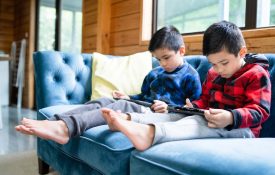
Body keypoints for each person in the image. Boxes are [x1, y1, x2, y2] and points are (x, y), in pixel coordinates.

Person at [101, 20, 271, 151]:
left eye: (223, 63)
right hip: (211, 119)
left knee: (197, 123)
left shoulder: (256, 74)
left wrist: (231, 117)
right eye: (212, 64)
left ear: (241, 52)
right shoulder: (213, 73)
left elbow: (260, 111)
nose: (217, 69)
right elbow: (204, 100)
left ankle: (149, 134)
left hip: (243, 130)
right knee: (177, 113)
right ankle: (130, 119)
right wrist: (193, 106)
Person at [15, 26, 202, 145]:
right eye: (158, 59)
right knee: (104, 100)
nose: (162, 64)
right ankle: (54, 121)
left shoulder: (190, 76)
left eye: (166, 58)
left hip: (160, 115)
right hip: (144, 106)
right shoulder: (155, 73)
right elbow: (142, 96)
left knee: (121, 107)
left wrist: (168, 108)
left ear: (182, 51)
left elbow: (195, 109)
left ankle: (65, 129)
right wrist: (128, 97)